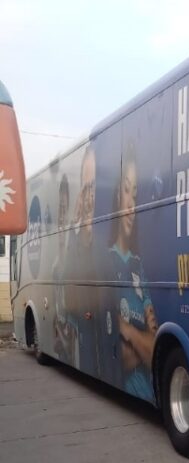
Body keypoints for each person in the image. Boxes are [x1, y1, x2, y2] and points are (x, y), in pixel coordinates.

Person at [106, 141, 157, 401]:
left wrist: (128, 331)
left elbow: (152, 351)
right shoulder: (107, 262)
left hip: (147, 390)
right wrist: (143, 340)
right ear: (117, 195)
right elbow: (120, 357)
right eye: (127, 191)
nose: (131, 205)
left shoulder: (139, 266)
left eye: (135, 195)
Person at [64, 145, 99, 375]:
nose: (90, 197)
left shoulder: (107, 253)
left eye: (94, 187)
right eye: (85, 189)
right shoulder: (73, 249)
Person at [52, 174, 77, 364]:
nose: (61, 218)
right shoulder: (55, 267)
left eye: (65, 210)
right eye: (59, 211)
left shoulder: (77, 263)